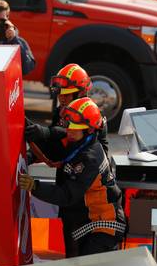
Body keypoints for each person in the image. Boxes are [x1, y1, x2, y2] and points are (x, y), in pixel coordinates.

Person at [19, 97, 126, 257]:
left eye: (74, 128)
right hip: (86, 222)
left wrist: (35, 186)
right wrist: (24, 122)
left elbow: (67, 195)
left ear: (89, 130)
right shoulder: (80, 141)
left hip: (104, 226)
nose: (68, 130)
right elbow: (57, 137)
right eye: (68, 125)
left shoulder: (89, 158)